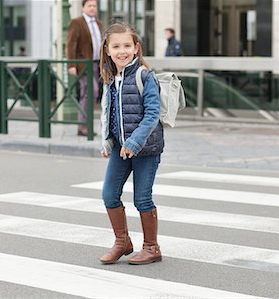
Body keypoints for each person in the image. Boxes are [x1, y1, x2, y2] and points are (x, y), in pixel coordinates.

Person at [98, 22, 164, 265]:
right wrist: (107, 142)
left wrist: (135, 142)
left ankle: (151, 248)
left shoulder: (144, 76)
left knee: (142, 199)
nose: (122, 51)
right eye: (116, 46)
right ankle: (122, 242)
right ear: (107, 50)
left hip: (146, 149)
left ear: (137, 48)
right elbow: (108, 113)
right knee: (109, 195)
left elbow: (152, 114)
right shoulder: (110, 78)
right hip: (120, 148)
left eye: (127, 45)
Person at [66, 0, 103, 136]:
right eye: (89, 6)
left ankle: (84, 125)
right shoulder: (76, 22)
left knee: (91, 93)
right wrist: (71, 65)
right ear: (83, 8)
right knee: (90, 91)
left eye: (94, 6)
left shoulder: (98, 24)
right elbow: (70, 45)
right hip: (83, 65)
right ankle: (83, 126)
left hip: (96, 64)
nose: (92, 8)